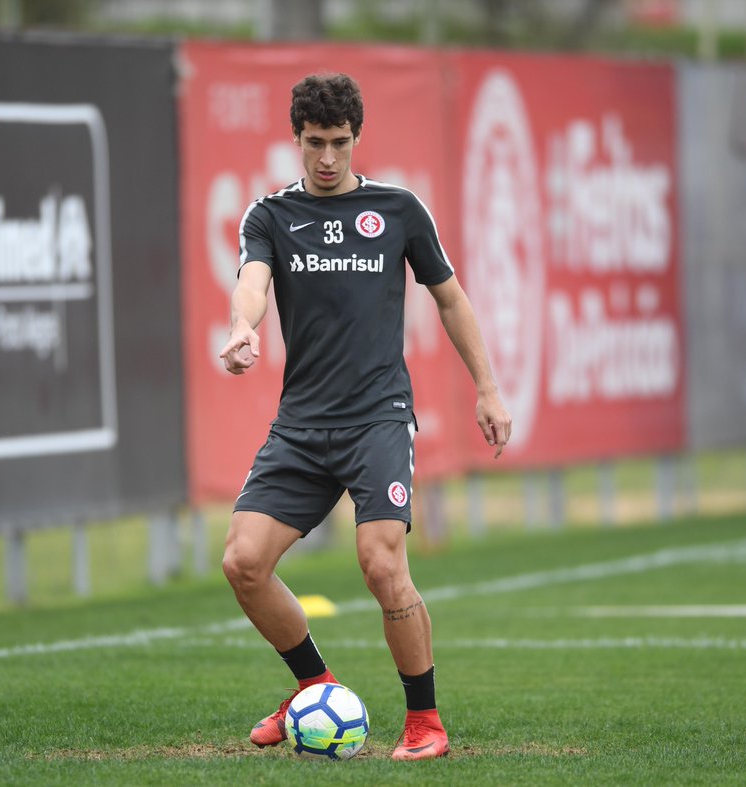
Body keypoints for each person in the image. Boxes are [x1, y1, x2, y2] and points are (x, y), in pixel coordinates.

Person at [218, 72, 511, 762]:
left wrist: (488, 389)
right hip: (301, 425)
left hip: (378, 417)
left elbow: (450, 299)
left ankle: (425, 722)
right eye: (314, 143)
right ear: (296, 139)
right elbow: (252, 282)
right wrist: (241, 328)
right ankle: (314, 685)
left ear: (356, 138)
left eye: (339, 143)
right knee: (242, 561)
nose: (326, 157)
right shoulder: (269, 217)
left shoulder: (398, 210)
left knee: (381, 563)